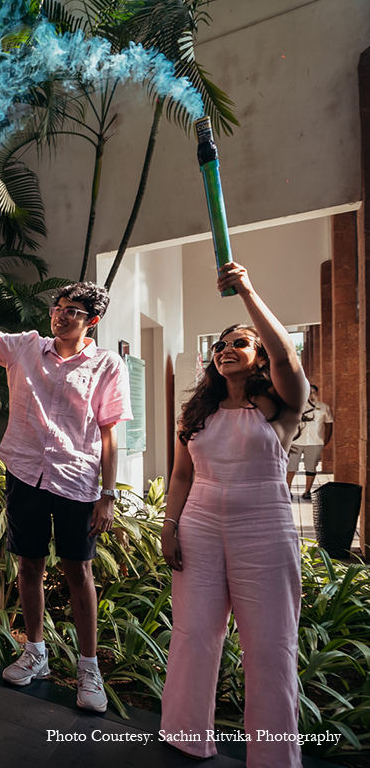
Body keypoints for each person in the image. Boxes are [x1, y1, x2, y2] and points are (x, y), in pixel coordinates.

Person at [0, 242, 131, 711]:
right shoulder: (26, 347)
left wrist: (107, 495)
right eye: (58, 307)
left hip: (77, 480)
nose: (61, 315)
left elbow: (111, 433)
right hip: (26, 474)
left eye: (73, 311)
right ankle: (35, 653)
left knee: (78, 571)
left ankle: (88, 671)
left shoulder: (107, 364)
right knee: (28, 565)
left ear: (91, 320)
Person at [159, 262, 307, 767]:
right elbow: (181, 477)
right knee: (193, 633)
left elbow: (287, 354)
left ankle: (272, 757)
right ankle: (183, 736)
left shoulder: (281, 404)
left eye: (239, 343)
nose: (226, 350)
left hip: (264, 530)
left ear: (259, 355)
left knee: (269, 647)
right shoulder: (197, 413)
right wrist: (169, 526)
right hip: (198, 526)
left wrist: (245, 290)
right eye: (220, 346)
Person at [285, 383, 332, 500]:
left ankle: (307, 491)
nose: (310, 394)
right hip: (296, 441)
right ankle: (287, 490)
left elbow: (329, 424)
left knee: (311, 467)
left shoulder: (324, 407)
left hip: (315, 442)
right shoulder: (294, 407)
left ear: (316, 393)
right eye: (308, 391)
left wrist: (326, 440)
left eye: (312, 392)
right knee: (291, 467)